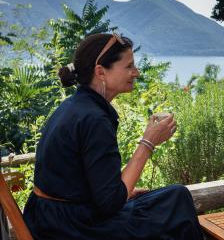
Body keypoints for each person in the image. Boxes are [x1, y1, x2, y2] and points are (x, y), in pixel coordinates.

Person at [23, 33, 205, 239]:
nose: (136, 72)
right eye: (128, 66)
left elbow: (84, 181)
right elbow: (111, 203)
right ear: (100, 72)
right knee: (176, 205)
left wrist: (122, 191)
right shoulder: (94, 119)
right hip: (72, 227)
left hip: (48, 218)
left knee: (174, 197)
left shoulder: (74, 106)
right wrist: (148, 142)